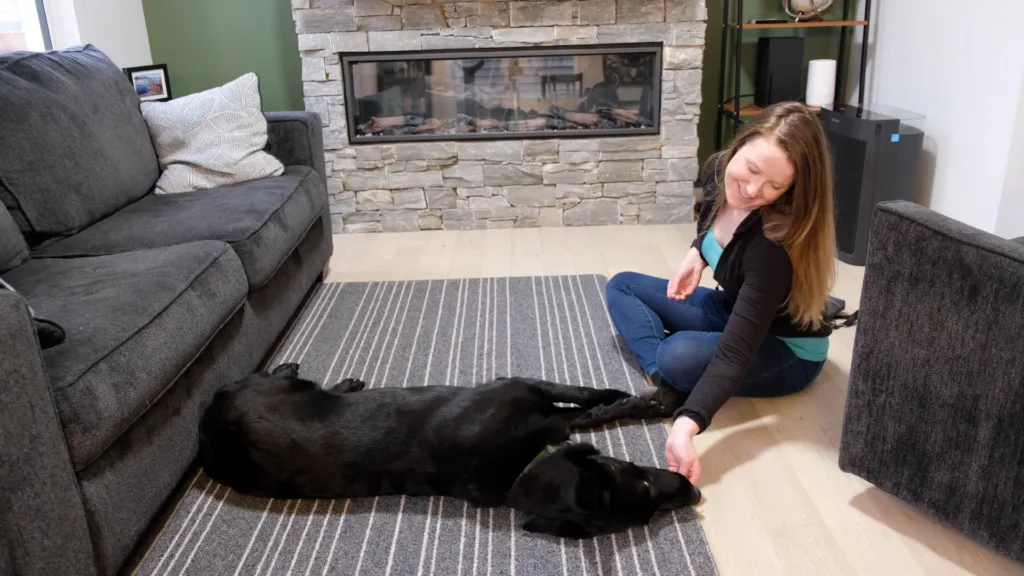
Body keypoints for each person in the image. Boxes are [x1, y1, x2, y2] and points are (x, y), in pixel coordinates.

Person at [605, 102, 837, 484]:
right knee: (623, 285)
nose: (752, 190)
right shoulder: (716, 171)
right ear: (738, 145)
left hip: (785, 351)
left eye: (775, 186)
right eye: (751, 169)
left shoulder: (770, 249)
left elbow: (736, 352)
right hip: (734, 309)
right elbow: (716, 223)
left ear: (790, 190)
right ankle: (666, 380)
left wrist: (687, 425)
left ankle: (676, 376)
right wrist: (697, 252)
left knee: (677, 354)